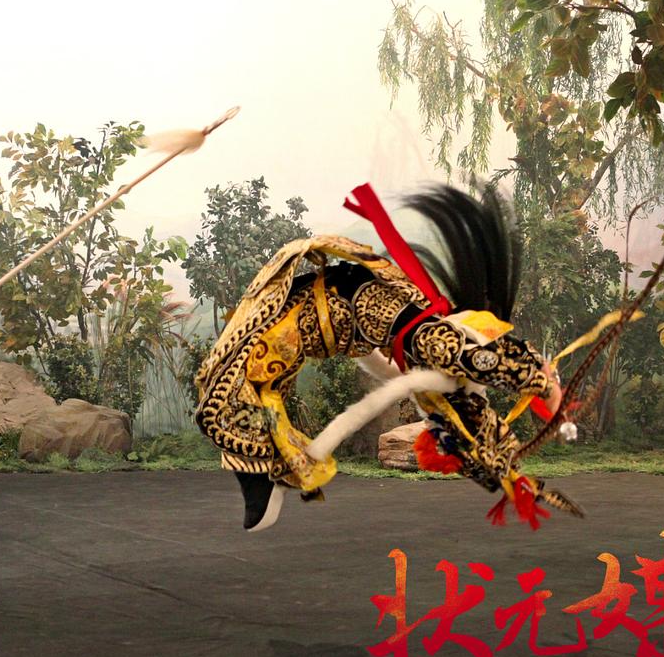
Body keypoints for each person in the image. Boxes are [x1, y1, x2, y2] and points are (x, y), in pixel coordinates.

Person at [194, 183, 579, 533]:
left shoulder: (434, 368)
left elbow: (466, 379)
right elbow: (468, 361)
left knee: (228, 392)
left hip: (336, 311)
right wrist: (540, 383)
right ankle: (261, 475)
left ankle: (261, 475)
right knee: (228, 390)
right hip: (330, 311)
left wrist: (513, 458)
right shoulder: (433, 350)